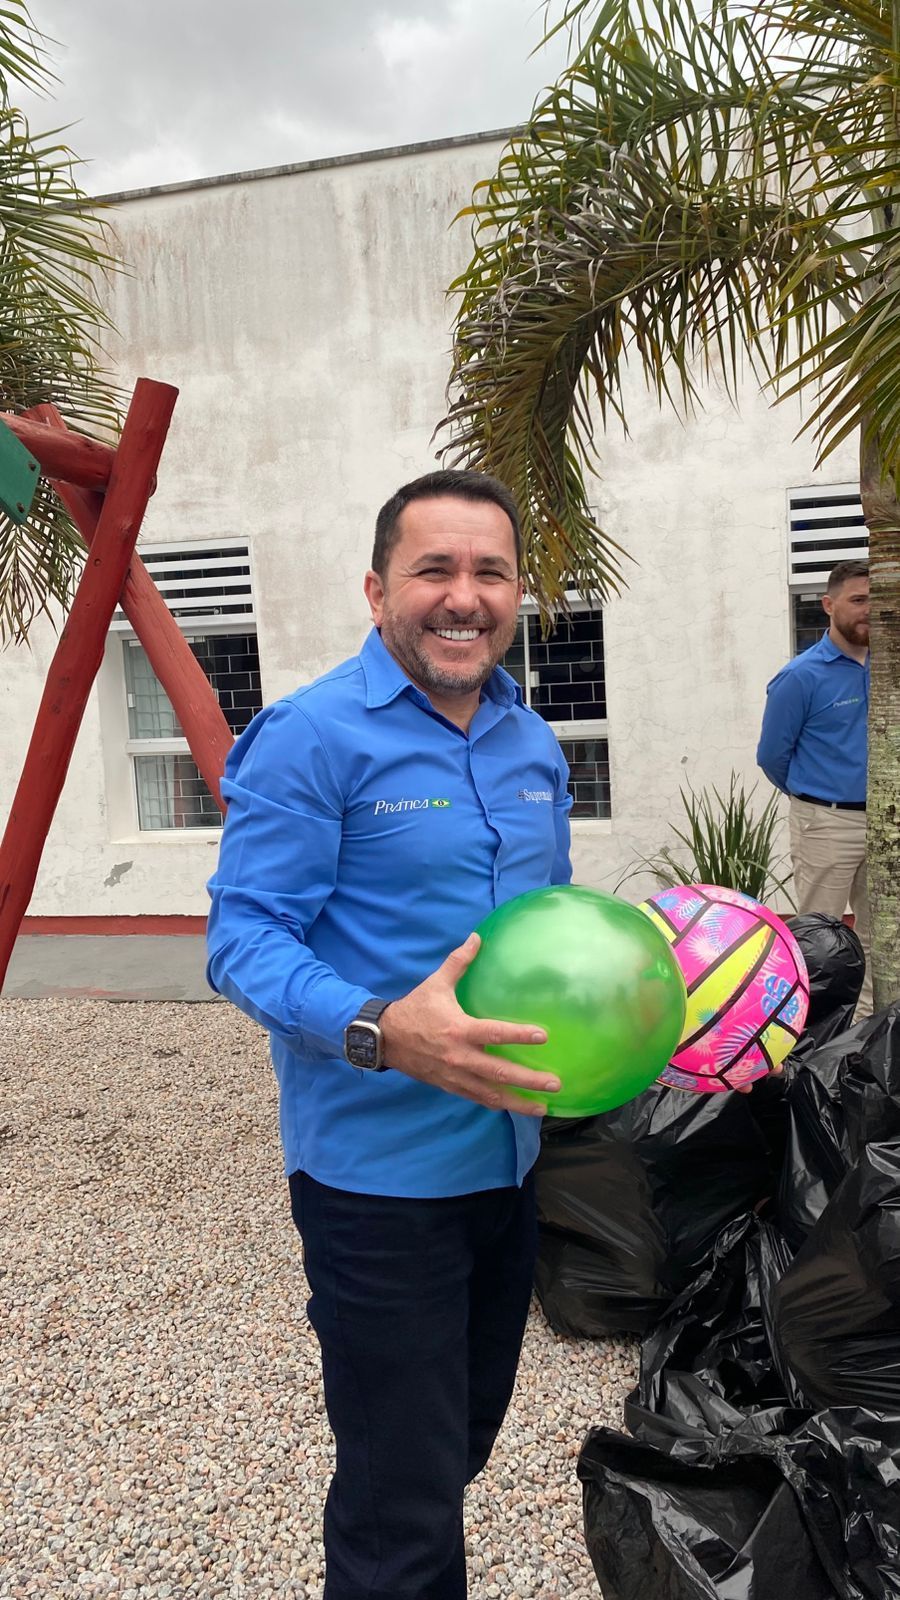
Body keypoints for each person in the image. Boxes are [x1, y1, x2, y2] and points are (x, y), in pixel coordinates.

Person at [206, 469, 572, 1600]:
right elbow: (242, 939)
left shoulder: (530, 743)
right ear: (377, 591)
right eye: (434, 569)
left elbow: (548, 933)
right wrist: (379, 1028)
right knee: (399, 1503)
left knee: (456, 1440)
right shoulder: (310, 737)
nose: (464, 596)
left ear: (517, 592)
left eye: (491, 571)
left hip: (511, 1159)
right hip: (378, 1184)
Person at [757, 559, 871, 1016]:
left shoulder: (888, 664)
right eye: (858, 599)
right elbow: (772, 755)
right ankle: (815, 1029)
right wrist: (813, 797)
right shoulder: (801, 676)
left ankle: (869, 1025)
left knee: (882, 932)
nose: (869, 609)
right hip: (826, 822)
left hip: (886, 821)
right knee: (820, 936)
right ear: (828, 604)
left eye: (877, 598)